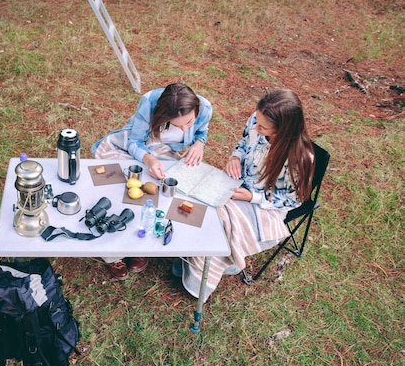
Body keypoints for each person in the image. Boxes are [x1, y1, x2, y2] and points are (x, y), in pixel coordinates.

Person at [174, 88, 315, 302]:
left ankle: (213, 266)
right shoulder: (256, 121)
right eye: (256, 120)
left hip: (267, 206)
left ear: (283, 129)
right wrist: (235, 158)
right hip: (239, 184)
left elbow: (293, 200)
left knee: (216, 221)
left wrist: (252, 198)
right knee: (197, 201)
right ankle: (192, 257)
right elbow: (243, 144)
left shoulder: (300, 158)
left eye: (263, 126)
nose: (256, 127)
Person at [91, 83, 213, 280]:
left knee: (163, 197)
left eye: (189, 122)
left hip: (166, 153)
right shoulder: (150, 102)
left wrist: (199, 144)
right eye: (176, 124)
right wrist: (149, 159)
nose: (183, 128)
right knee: (119, 188)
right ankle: (113, 252)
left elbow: (201, 134)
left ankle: (141, 243)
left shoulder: (205, 107)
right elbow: (134, 142)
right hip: (140, 148)